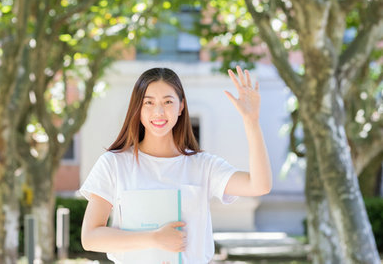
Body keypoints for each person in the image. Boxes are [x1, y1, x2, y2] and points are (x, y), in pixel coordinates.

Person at [80, 66, 272, 263]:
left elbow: (259, 185)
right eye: (149, 102)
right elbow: (90, 238)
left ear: (181, 107)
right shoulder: (114, 163)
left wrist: (252, 122)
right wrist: (154, 238)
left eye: (168, 101)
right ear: (138, 108)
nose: (159, 111)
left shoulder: (204, 166)